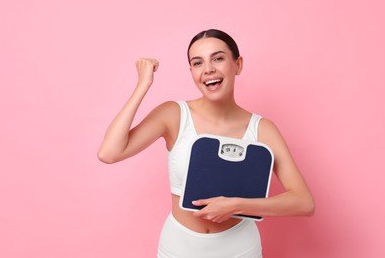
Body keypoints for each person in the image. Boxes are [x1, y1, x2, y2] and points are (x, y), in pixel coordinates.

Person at [97, 29, 315, 258]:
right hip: (178, 248)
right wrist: (143, 84)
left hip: (240, 249)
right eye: (198, 63)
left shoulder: (262, 129)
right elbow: (109, 153)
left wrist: (237, 205)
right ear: (191, 72)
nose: (208, 69)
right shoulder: (173, 115)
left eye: (218, 58)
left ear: (237, 64)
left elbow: (303, 202)